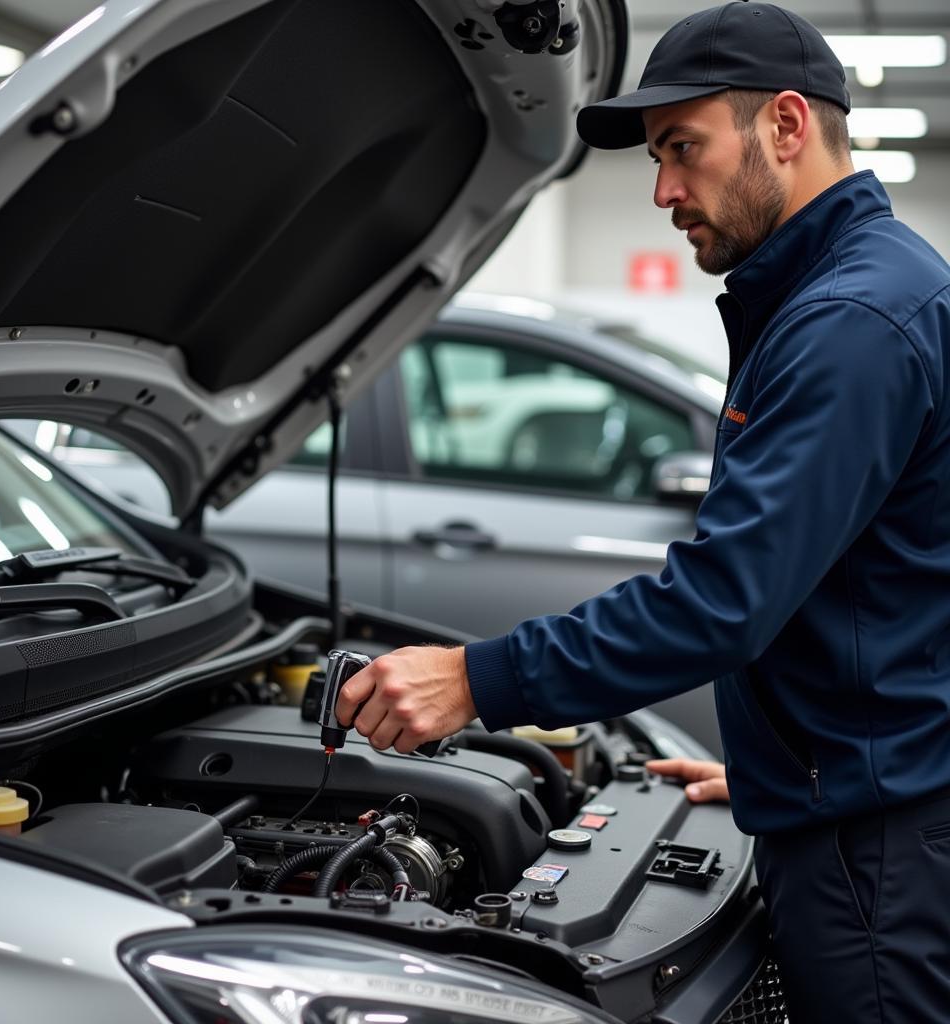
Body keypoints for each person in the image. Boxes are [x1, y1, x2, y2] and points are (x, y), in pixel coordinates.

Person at [337, 3, 950, 1019]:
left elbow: (722, 601)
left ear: (786, 126)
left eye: (683, 149)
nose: (664, 189)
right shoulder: (860, 291)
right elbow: (873, 583)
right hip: (860, 800)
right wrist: (764, 768)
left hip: (869, 846)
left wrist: (474, 678)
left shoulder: (848, 323)